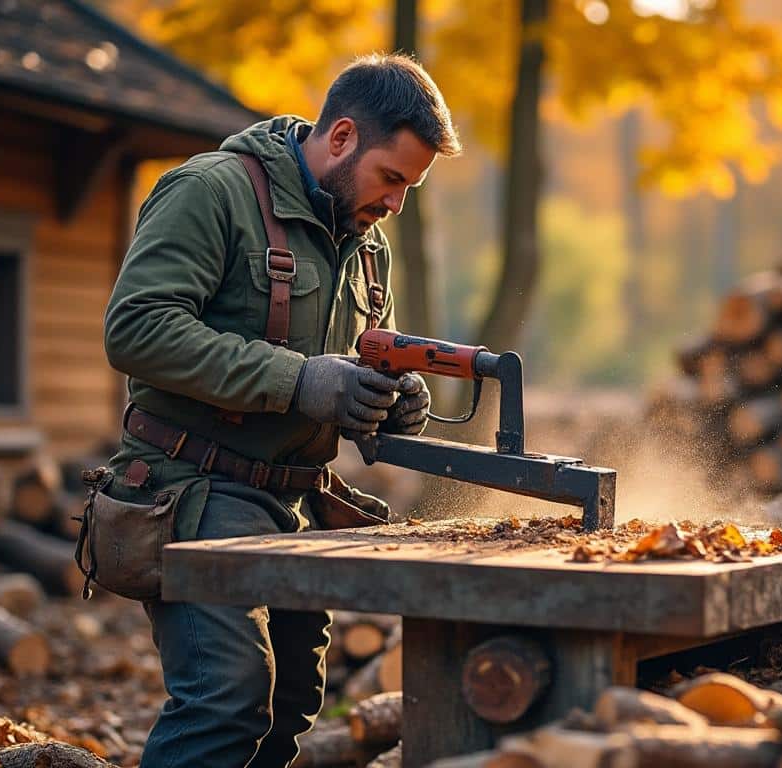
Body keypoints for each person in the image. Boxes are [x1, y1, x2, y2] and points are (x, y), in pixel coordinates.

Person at [101, 53, 460, 767]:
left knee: (292, 701)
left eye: (410, 189)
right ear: (342, 137)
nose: (396, 204)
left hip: (293, 502)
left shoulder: (365, 246)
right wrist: (300, 382)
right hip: (192, 487)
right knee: (228, 699)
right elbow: (136, 328)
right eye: (392, 179)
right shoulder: (211, 192)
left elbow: (342, 367)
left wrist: (383, 399)